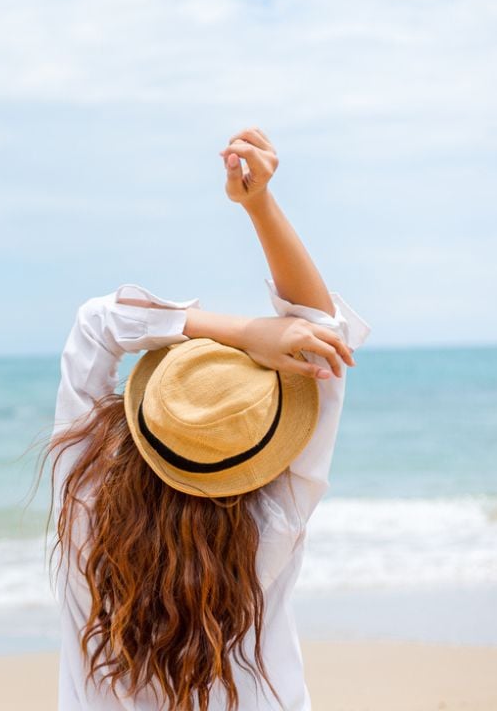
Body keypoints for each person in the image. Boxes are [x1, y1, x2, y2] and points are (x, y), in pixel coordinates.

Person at [40, 126, 372, 711]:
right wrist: (259, 204)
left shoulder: (84, 505)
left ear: (144, 415)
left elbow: (98, 324)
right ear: (259, 452)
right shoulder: (273, 525)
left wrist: (240, 332)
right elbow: (323, 335)